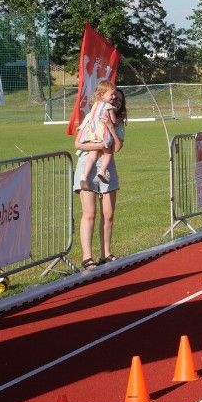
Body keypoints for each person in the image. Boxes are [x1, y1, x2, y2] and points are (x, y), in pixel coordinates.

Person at [74, 87, 127, 270]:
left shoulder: (118, 122)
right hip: (87, 165)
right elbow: (78, 142)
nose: (116, 102)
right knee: (89, 213)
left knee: (108, 214)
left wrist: (111, 127)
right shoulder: (92, 116)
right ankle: (87, 257)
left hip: (107, 167)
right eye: (114, 99)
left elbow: (117, 148)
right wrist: (98, 145)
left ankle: (106, 253)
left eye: (119, 101)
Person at [76, 80, 119, 189]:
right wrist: (115, 119)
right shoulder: (108, 106)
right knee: (108, 153)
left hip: (92, 134)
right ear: (102, 94)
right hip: (102, 134)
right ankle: (102, 171)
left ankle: (84, 176)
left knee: (92, 156)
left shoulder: (95, 105)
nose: (113, 97)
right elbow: (113, 121)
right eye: (112, 94)